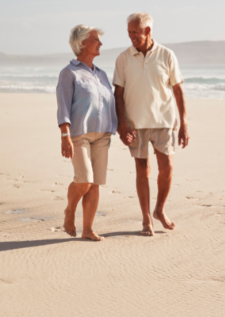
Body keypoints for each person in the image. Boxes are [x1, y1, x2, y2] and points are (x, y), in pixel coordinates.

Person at [113, 12, 189, 236]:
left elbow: (178, 89)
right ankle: (146, 218)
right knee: (142, 170)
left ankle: (159, 210)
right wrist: (122, 124)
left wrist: (183, 123)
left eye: (135, 32)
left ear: (148, 31)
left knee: (167, 168)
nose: (131, 37)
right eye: (129, 32)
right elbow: (118, 94)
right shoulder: (123, 58)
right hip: (136, 123)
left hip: (164, 121)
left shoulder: (167, 55)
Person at [56, 24, 118, 241]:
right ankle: (70, 211)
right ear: (82, 43)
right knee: (84, 181)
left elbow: (110, 104)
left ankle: (87, 229)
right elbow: (63, 106)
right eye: (95, 39)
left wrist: (121, 127)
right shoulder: (69, 72)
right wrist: (65, 136)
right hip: (79, 135)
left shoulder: (101, 74)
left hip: (102, 135)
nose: (100, 43)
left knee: (95, 184)